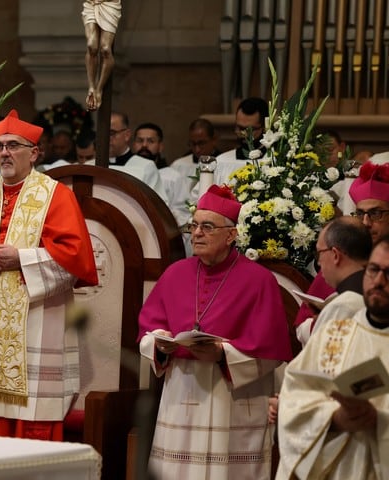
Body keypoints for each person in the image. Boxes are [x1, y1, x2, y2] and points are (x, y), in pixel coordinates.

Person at [0, 109, 98, 441]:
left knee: (31, 417)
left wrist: (20, 259)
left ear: (34, 153)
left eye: (13, 145)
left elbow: (74, 258)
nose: (4, 153)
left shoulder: (55, 196)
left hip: (36, 323)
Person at [138, 184, 292, 479]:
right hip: (181, 393)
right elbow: (149, 328)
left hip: (232, 400)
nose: (197, 233)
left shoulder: (259, 281)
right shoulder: (175, 274)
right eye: (194, 226)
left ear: (231, 235)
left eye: (207, 227)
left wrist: (222, 353)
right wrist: (161, 344)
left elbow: (271, 353)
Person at [276, 237, 389, 479]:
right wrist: (336, 417)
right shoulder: (333, 333)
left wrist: (378, 419)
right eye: (373, 270)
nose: (378, 281)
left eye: (388, 274)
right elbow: (294, 397)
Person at [295, 161, 389, 335]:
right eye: (360, 213)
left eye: (376, 213)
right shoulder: (338, 260)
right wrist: (324, 318)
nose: (366, 223)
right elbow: (302, 325)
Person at [108, 112, 167, 199]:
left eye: (111, 133)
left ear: (127, 135)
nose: (106, 137)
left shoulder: (146, 167)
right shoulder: (89, 165)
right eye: (101, 132)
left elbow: (157, 206)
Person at [82, 0, 122, 111]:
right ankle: (91, 86)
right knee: (91, 46)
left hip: (110, 4)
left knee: (105, 49)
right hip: (91, 3)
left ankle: (99, 89)